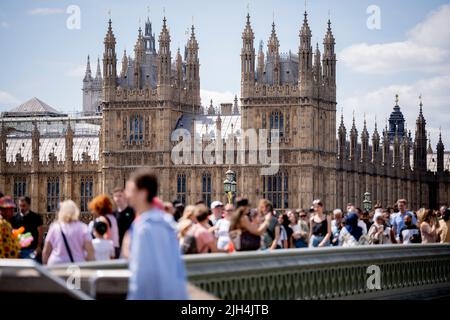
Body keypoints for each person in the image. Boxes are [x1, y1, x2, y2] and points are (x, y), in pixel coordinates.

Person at [125, 169, 188, 300]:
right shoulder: (166, 221)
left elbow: (142, 274)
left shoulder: (145, 227)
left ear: (142, 194)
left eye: (130, 190)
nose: (127, 195)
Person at [42, 200, 95, 265]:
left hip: (56, 266)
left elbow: (46, 252)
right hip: (77, 266)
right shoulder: (83, 228)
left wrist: (45, 268)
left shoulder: (54, 227)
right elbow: (90, 252)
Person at [10, 196, 44, 261]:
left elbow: (40, 232)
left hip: (32, 249)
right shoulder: (14, 218)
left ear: (29, 205)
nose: (21, 208)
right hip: (18, 250)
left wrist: (39, 246)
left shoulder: (36, 217)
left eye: (23, 206)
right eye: (20, 206)